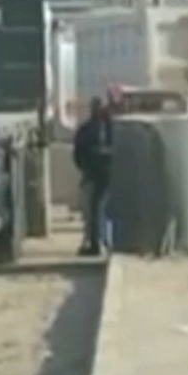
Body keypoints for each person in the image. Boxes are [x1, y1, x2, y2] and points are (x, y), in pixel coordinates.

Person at [72, 96, 116, 257]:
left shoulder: (88, 130)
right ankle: (99, 242)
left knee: (95, 210)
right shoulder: (111, 129)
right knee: (97, 210)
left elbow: (78, 154)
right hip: (101, 174)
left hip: (95, 174)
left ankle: (97, 243)